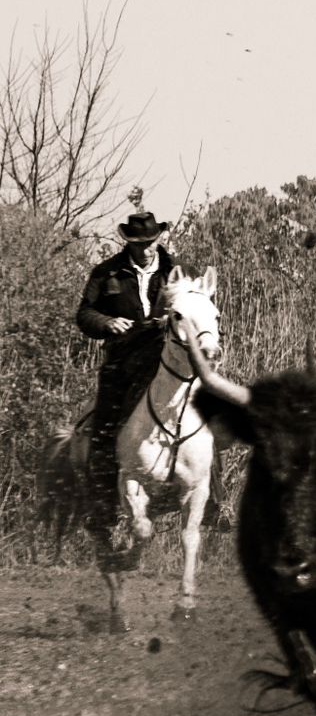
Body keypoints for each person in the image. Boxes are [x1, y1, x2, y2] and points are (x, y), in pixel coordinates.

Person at [76, 192, 180, 546]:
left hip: (164, 363)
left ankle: (216, 503)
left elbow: (196, 303)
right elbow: (84, 314)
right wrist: (106, 322)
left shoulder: (176, 271)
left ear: (158, 239)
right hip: (120, 365)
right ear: (128, 243)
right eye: (139, 243)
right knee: (103, 432)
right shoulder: (105, 273)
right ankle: (104, 510)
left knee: (204, 414)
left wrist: (172, 318)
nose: (147, 249)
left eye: (151, 242)